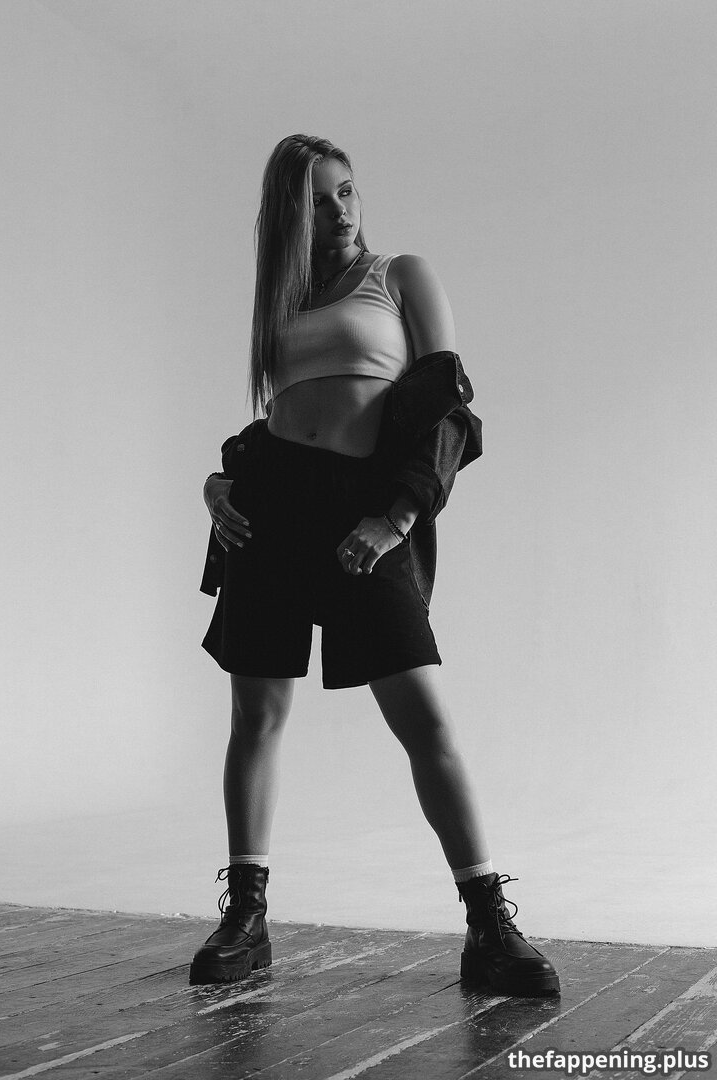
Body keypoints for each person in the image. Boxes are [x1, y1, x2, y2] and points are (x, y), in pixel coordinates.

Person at [190, 134, 559, 997]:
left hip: (364, 512)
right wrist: (221, 478)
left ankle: (490, 925)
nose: (340, 211)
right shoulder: (282, 301)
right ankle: (247, 916)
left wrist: (397, 516)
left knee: (423, 719)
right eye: (318, 199)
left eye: (347, 191)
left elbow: (448, 411)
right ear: (289, 214)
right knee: (256, 716)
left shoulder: (400, 276)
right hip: (270, 511)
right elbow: (287, 415)